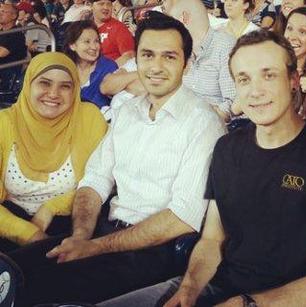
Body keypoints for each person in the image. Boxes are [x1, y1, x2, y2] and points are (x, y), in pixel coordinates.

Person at [99, 29, 306, 307]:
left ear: (293, 80)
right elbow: (212, 240)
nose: (255, 91)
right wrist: (189, 287)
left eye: (268, 75)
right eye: (244, 79)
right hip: (216, 285)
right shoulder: (227, 149)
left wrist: (249, 304)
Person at [11, 13, 225, 306]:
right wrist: (81, 236)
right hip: (102, 232)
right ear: (136, 60)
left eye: (170, 57)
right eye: (148, 55)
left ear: (186, 65)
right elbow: (95, 179)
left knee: (32, 292)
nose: (157, 67)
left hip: (153, 254)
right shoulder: (127, 112)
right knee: (12, 269)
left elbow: (181, 218)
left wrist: (96, 247)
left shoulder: (202, 123)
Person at [0, 52, 107, 252]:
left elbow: (99, 181)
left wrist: (51, 208)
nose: (53, 94)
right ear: (28, 84)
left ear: (75, 90)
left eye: (65, 86)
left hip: (75, 222)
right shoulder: (4, 123)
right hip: (9, 221)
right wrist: (30, 234)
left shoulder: (90, 119)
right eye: (44, 83)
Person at [63, 20, 118, 113]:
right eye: (87, 42)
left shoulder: (109, 67)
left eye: (96, 41)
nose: (94, 47)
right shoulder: (65, 69)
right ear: (72, 45)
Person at [91, 0, 135, 66]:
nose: (106, 7)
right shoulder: (85, 28)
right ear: (92, 6)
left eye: (109, 4)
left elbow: (129, 56)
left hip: (111, 73)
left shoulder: (119, 28)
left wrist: (106, 70)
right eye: (101, 4)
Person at [0, 3, 27, 90]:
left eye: (3, 11)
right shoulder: (2, 31)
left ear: (13, 16)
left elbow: (1, 53)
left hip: (7, 74)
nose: (0, 13)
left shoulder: (16, 33)